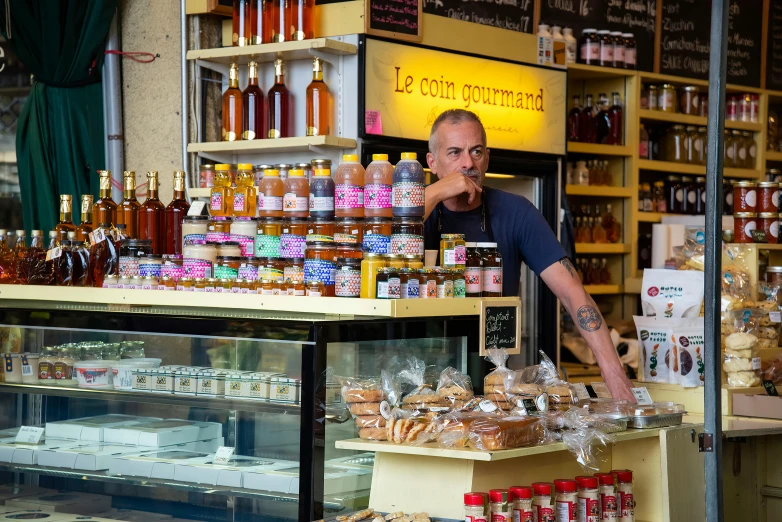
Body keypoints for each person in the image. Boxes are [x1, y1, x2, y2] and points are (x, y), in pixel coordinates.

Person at [423, 109, 634, 402]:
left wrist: (617, 380)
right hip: (420, 377)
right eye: (455, 153)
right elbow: (378, 245)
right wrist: (433, 194)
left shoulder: (516, 212)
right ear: (432, 163)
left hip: (493, 384)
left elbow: (574, 295)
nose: (468, 163)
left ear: (488, 158)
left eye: (476, 151)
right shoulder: (415, 210)